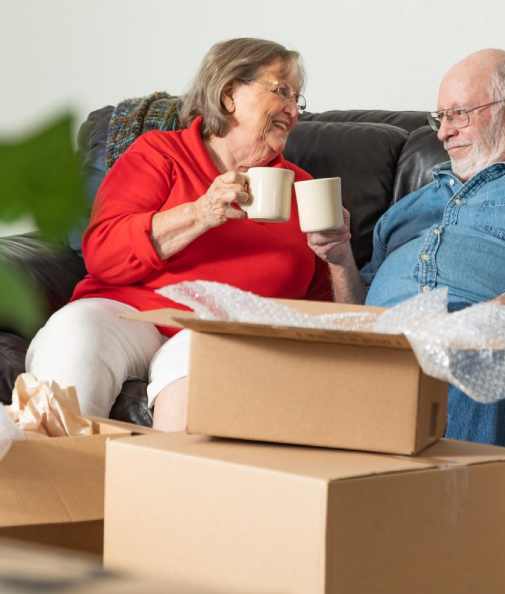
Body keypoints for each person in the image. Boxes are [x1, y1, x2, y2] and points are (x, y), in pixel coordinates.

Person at [26, 38, 331, 430]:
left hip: (224, 331)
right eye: (281, 91)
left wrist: (337, 256)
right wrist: (201, 213)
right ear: (228, 96)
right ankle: (55, 482)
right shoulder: (159, 154)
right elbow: (103, 252)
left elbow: (324, 306)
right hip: (127, 313)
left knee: (203, 378)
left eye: (297, 99)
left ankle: (167, 486)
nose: (293, 110)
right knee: (75, 337)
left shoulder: (303, 189)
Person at [308, 49, 505, 451]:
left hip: (478, 337)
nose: (442, 133)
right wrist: (340, 258)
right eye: (439, 118)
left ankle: (459, 507)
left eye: (457, 114)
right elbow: (356, 314)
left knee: (501, 342)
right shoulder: (408, 208)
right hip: (382, 344)